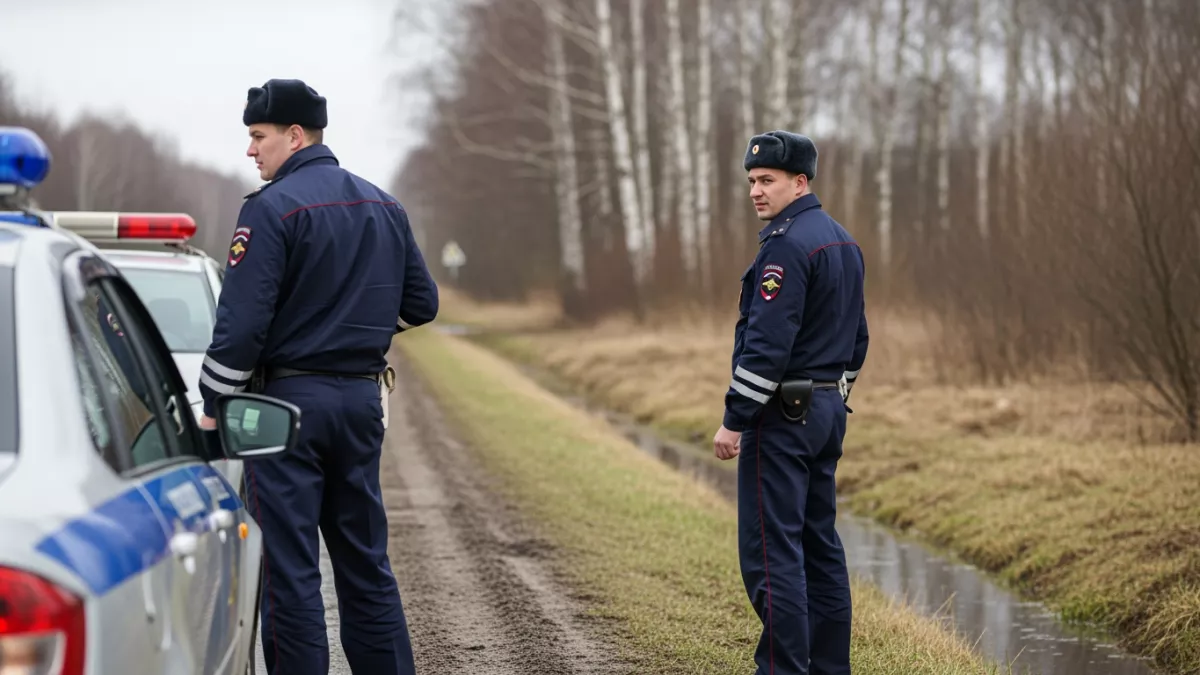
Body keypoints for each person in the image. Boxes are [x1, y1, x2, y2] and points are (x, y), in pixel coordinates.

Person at [197, 78, 439, 675]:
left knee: (290, 571)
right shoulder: (384, 205)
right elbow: (422, 304)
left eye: (258, 136)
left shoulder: (270, 209)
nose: (251, 151)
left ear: (295, 135)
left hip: (285, 412)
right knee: (365, 564)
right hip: (360, 404)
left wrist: (213, 403)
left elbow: (242, 326)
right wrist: (356, 328)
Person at [712, 130, 868, 675]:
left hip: (780, 419)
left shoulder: (786, 245)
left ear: (799, 182)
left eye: (767, 180)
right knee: (820, 548)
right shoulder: (843, 241)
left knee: (772, 557)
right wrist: (833, 394)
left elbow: (767, 347)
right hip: (824, 415)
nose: (756, 191)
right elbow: (858, 340)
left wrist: (735, 420)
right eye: (752, 181)